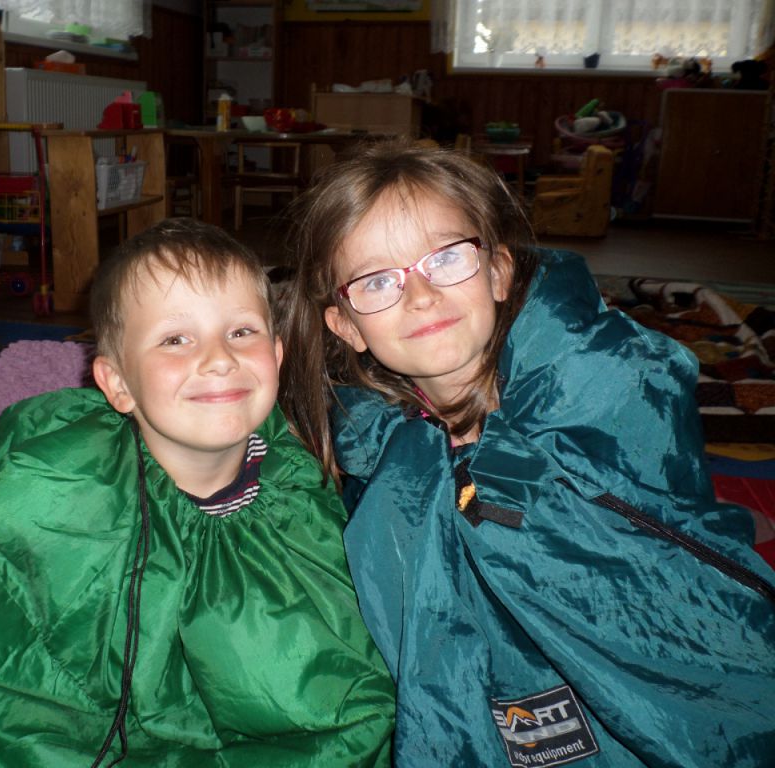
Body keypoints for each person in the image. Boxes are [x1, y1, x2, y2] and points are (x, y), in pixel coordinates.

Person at [0, 219, 395, 767]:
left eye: (241, 332)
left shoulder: (297, 479)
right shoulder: (69, 481)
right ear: (117, 384)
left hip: (227, 701)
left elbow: (327, 642)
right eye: (175, 340)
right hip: (87, 706)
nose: (218, 359)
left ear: (277, 356)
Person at [278, 140, 775, 767]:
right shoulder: (380, 445)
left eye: (446, 257)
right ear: (348, 326)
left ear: (498, 271)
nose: (420, 295)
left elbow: (655, 572)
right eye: (378, 280)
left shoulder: (601, 385)